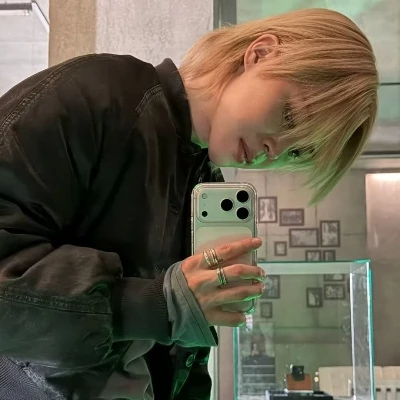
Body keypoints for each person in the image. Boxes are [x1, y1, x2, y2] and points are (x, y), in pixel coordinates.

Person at [0, 7, 377, 400]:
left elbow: (184, 362)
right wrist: (160, 304)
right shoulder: (98, 95)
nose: (275, 150)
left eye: (298, 152)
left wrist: (189, 311)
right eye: (289, 116)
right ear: (261, 53)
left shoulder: (204, 184)